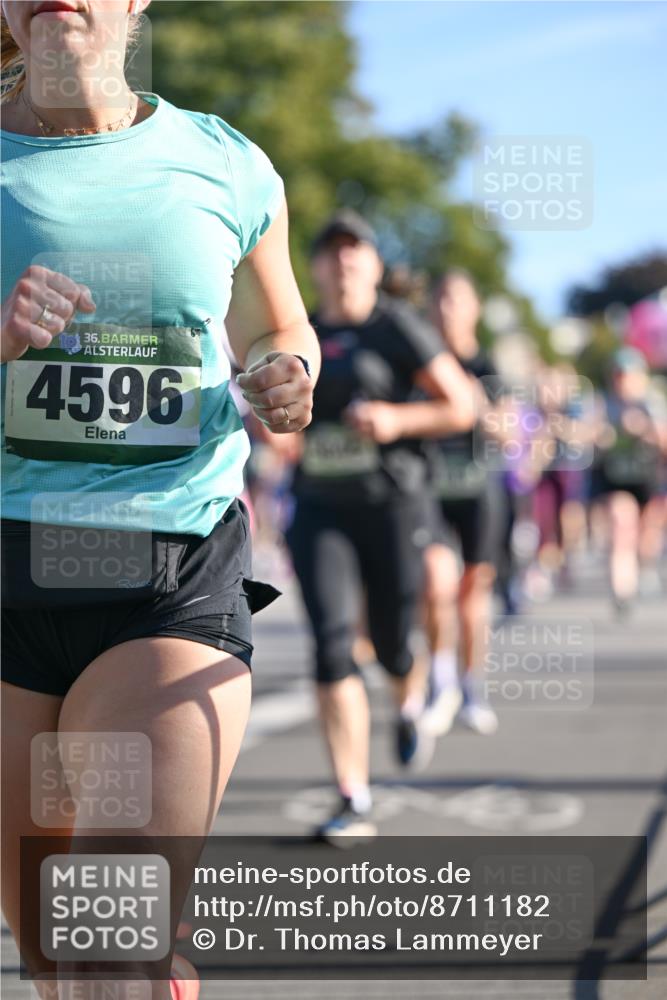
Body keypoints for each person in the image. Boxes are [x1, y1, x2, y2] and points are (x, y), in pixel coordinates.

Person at [0, 3, 319, 999]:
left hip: (167, 578)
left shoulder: (224, 161)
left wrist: (286, 373)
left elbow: (279, 326)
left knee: (103, 936)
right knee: (56, 956)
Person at [283, 210, 475, 844]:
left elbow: (460, 405)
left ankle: (410, 697)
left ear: (374, 265)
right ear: (313, 266)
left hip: (393, 504)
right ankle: (352, 793)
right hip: (319, 507)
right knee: (333, 643)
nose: (342, 261)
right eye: (331, 251)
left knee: (394, 639)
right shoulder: (299, 330)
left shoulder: (397, 328)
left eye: (355, 250)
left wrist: (394, 420)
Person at [421, 269, 505, 737]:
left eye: (458, 299)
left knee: (474, 592)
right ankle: (441, 683)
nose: (448, 309)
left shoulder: (488, 365)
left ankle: (474, 688)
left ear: (474, 308)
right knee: (436, 584)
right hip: (431, 489)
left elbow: (510, 432)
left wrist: (477, 405)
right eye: (441, 299)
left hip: (478, 488)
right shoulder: (421, 362)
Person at [589, 348, 666, 615]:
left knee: (646, 538)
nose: (623, 381)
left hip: (647, 480)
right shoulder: (602, 404)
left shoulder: (652, 403)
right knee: (622, 523)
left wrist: (646, 430)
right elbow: (586, 437)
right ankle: (622, 591)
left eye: (628, 375)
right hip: (614, 480)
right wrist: (601, 437)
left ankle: (643, 567)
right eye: (619, 375)